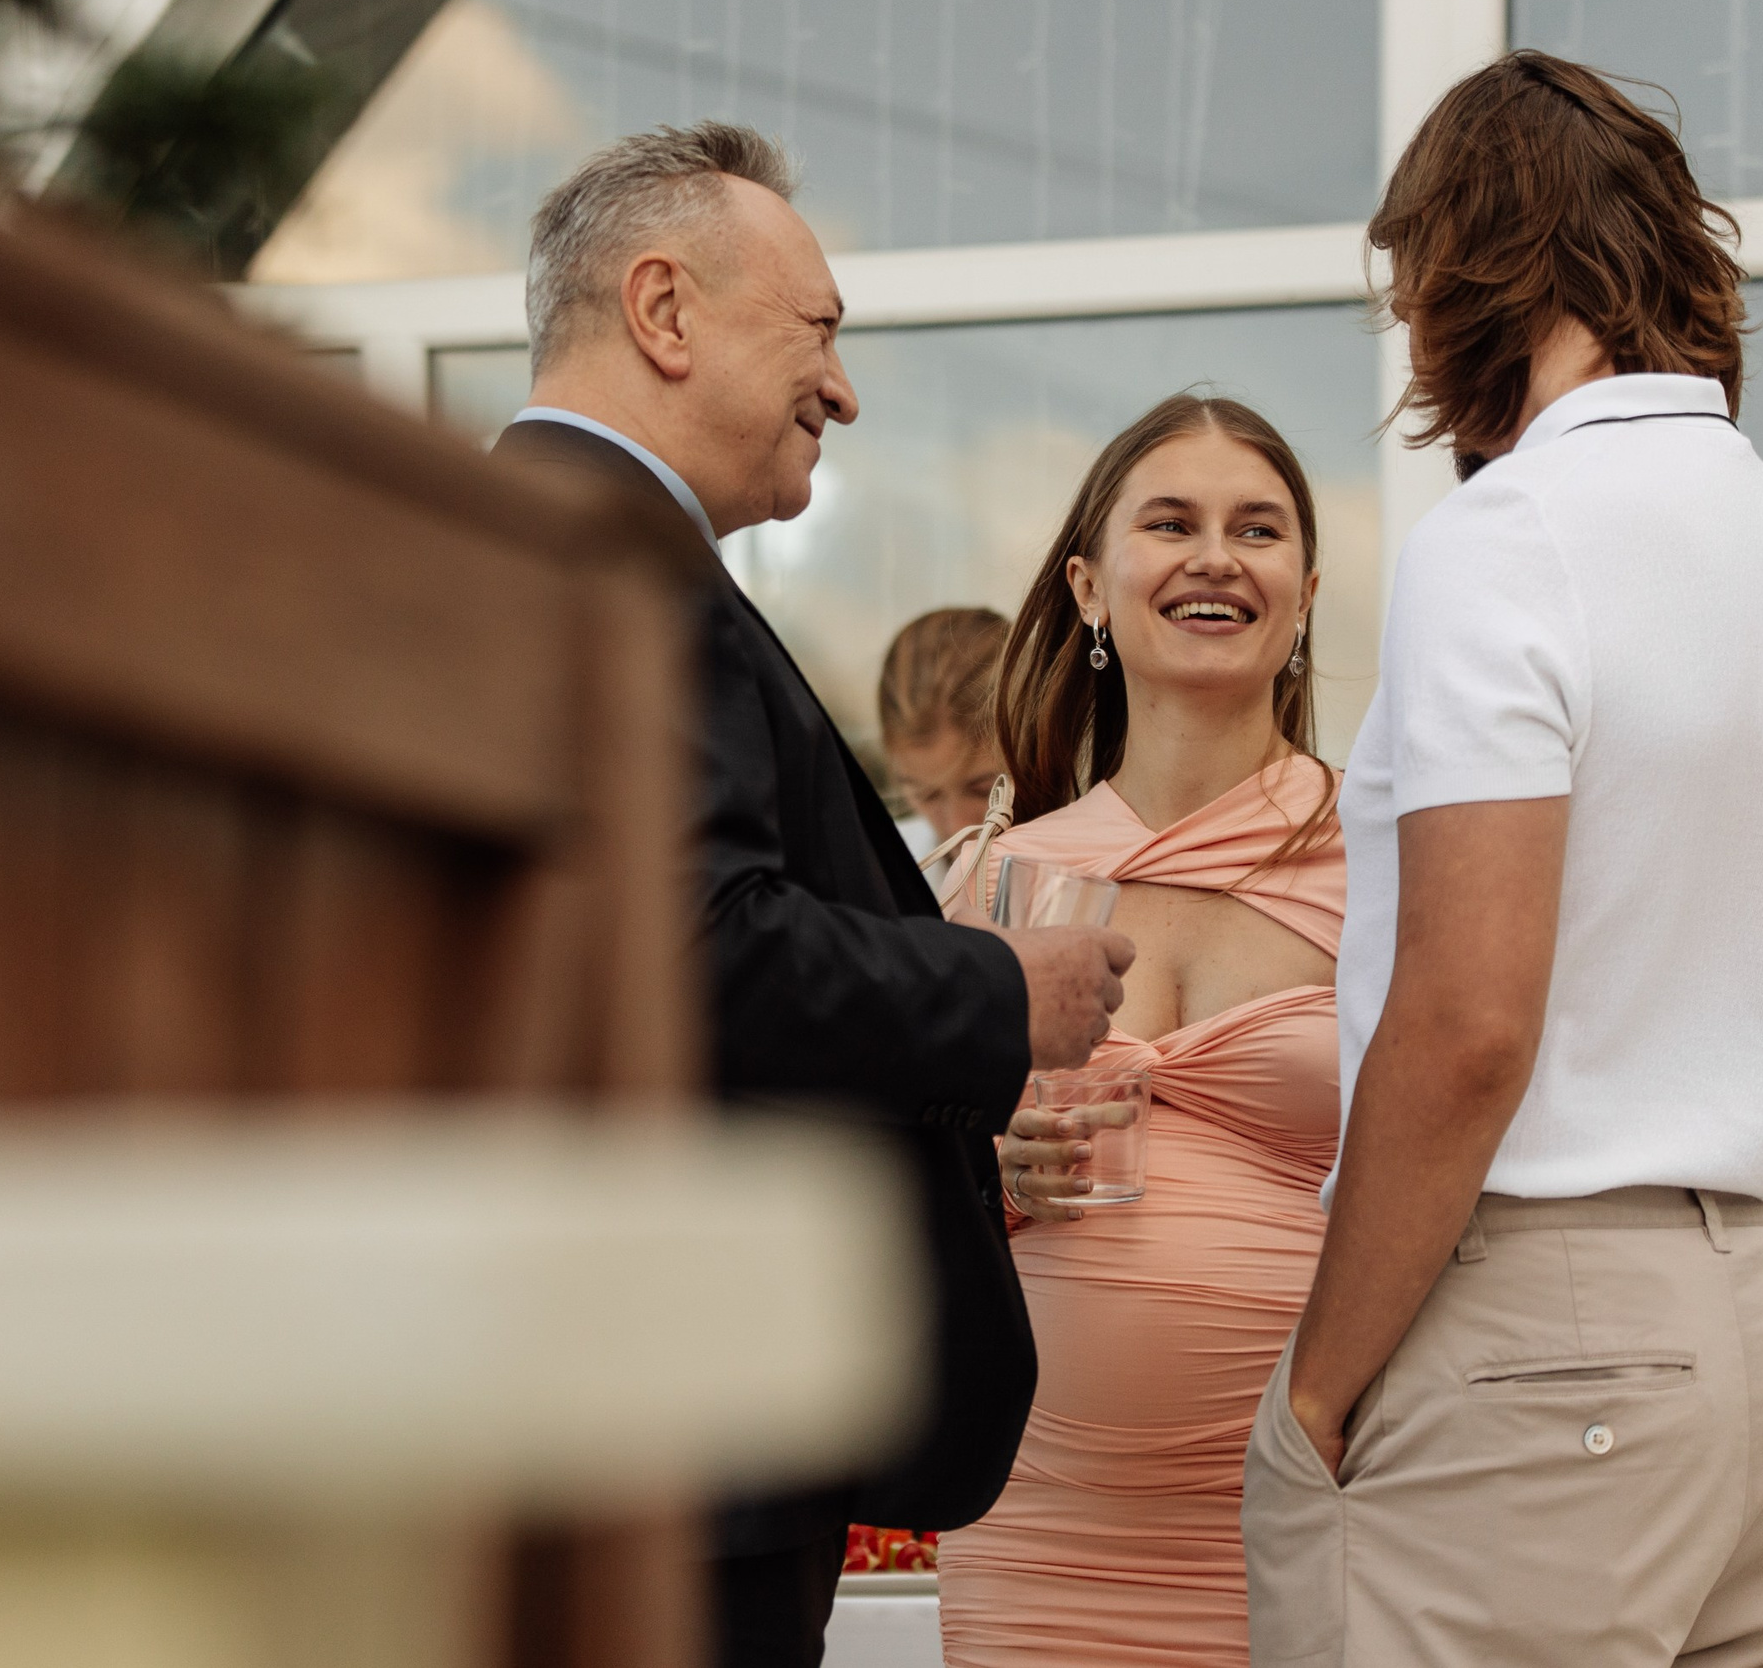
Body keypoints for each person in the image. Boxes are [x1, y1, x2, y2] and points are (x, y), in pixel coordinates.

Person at [1242, 52, 1763, 1668]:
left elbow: (1474, 1019)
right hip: (1760, 1339)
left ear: (1463, 270)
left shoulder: (1513, 533)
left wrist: (1322, 1386)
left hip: (1535, 1342)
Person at [489, 122, 1136, 1668]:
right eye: (820, 331)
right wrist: (998, 991)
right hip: (683, 1430)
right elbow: (692, 951)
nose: (842, 388)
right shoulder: (621, 569)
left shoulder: (518, 543)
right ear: (663, 312)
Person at [935, 395, 1342, 1667]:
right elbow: (872, 1192)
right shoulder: (993, 886)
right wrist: (970, 1176)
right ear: (1090, 588)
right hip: (1036, 1527)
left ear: (1305, 591)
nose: (1215, 556)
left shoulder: (1390, 864)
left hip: (1316, 1511)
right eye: (1170, 523)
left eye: (1256, 529)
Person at [879, 607, 1011, 849]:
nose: (956, 828)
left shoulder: (1088, 871)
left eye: (986, 791)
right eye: (926, 795)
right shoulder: (882, 861)